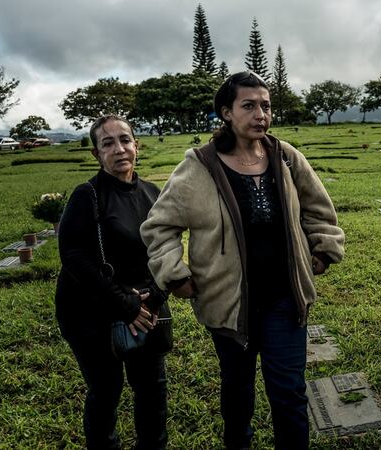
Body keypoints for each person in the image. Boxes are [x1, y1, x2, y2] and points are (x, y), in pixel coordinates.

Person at [140, 71, 344, 450]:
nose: (260, 114)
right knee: (237, 394)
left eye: (265, 106)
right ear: (226, 113)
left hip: (285, 298)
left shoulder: (284, 156)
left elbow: (319, 208)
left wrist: (322, 250)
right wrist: (174, 274)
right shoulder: (199, 166)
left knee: (290, 394)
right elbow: (159, 226)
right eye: (248, 106)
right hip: (229, 303)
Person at [56, 115, 170, 449]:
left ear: (137, 146)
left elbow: (166, 250)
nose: (119, 149)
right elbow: (75, 258)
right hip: (90, 310)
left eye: (125, 140)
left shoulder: (152, 193)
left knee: (152, 387)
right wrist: (125, 305)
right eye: (108, 143)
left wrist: (156, 293)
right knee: (106, 389)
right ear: (96, 154)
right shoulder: (87, 196)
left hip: (143, 308)